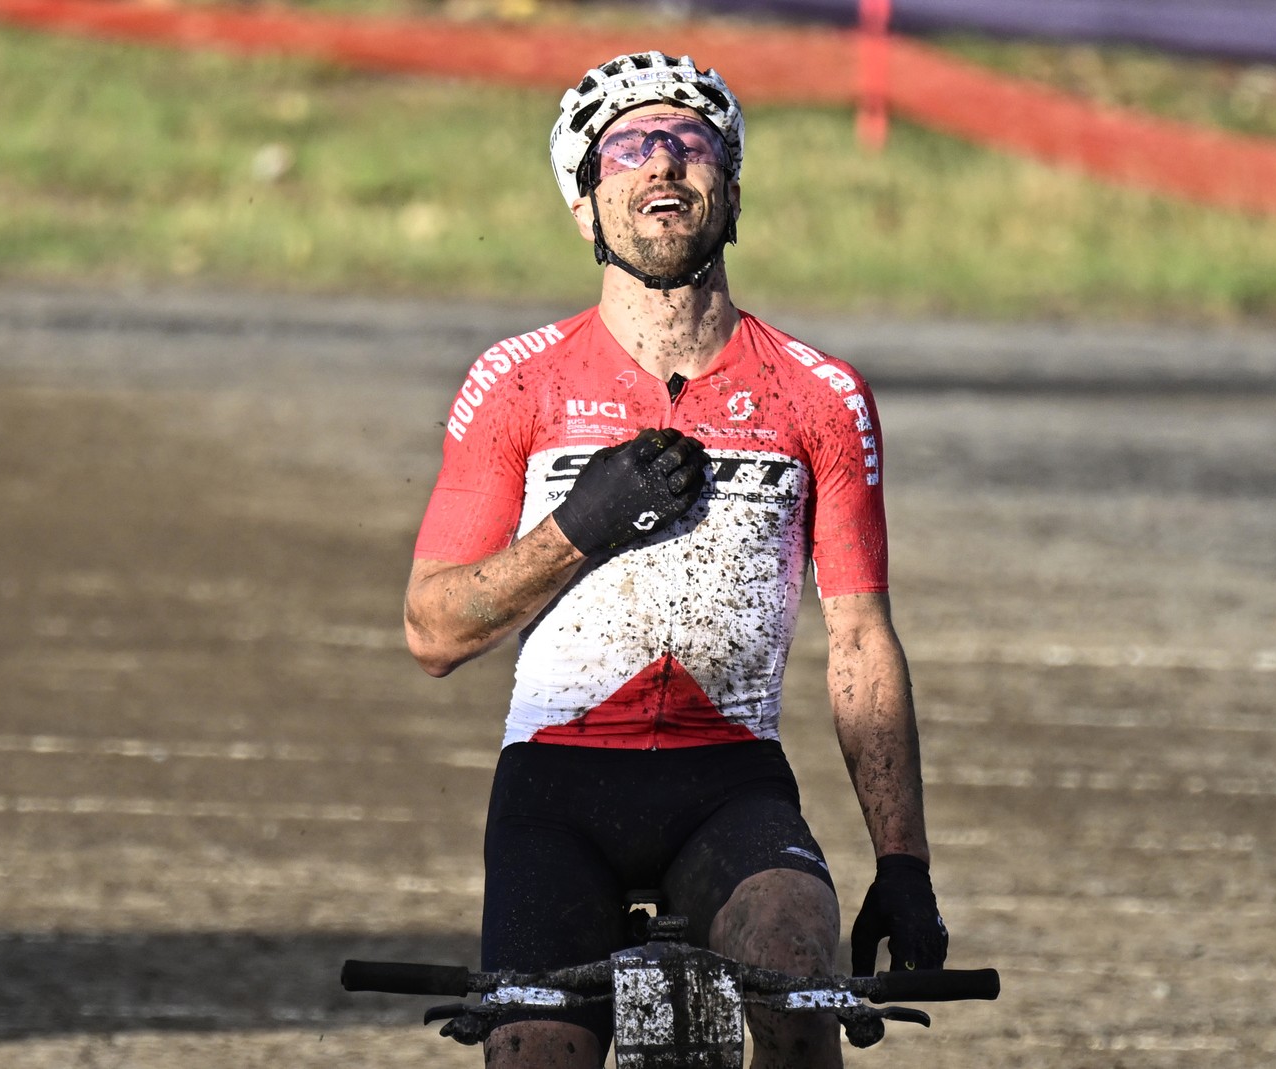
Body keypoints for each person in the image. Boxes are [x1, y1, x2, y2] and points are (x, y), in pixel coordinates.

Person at [404, 51, 948, 1069]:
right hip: (556, 791)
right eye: (627, 148)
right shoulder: (516, 385)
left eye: (690, 143)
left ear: (730, 189)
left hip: (730, 785)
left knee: (795, 971)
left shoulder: (820, 396)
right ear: (584, 204)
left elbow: (863, 641)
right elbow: (433, 629)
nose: (661, 162)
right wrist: (580, 523)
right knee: (534, 1046)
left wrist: (903, 863)